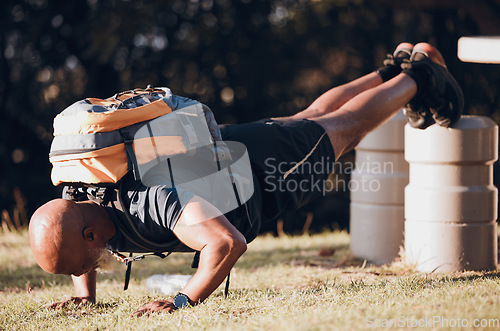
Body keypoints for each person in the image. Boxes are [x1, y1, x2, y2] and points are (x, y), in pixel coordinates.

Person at [29, 42, 463, 316]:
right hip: (232, 150)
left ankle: (419, 77)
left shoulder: (149, 200)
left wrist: (184, 300)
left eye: (84, 265)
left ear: (90, 233)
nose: (87, 270)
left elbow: (226, 242)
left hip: (266, 171)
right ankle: (397, 66)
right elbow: (72, 234)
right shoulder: (82, 189)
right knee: (312, 118)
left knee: (344, 130)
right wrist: (86, 296)